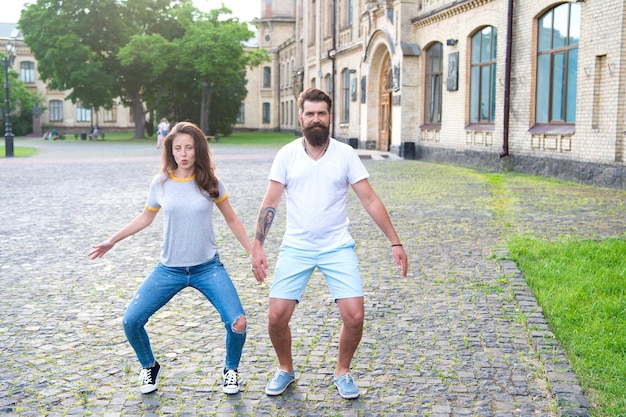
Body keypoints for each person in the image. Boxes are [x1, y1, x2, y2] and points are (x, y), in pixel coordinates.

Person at [251, 88, 408, 399]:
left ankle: (343, 372)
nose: (316, 119)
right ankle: (285, 369)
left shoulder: (345, 154)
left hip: (337, 246)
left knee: (355, 316)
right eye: (310, 114)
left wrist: (395, 242)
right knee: (276, 316)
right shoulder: (287, 154)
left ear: (330, 117)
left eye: (321, 113)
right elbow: (270, 202)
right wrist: (257, 245)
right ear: (301, 118)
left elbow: (370, 200)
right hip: (296, 246)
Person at [88, 121, 257, 395]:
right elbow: (146, 217)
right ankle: (149, 366)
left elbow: (232, 218)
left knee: (238, 323)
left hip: (207, 267)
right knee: (131, 321)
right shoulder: (161, 183)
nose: (184, 153)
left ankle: (230, 370)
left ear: (198, 149)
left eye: (189, 147)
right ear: (171, 150)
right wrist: (112, 240)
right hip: (169, 269)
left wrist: (252, 252)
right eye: (178, 148)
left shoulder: (211, 183)